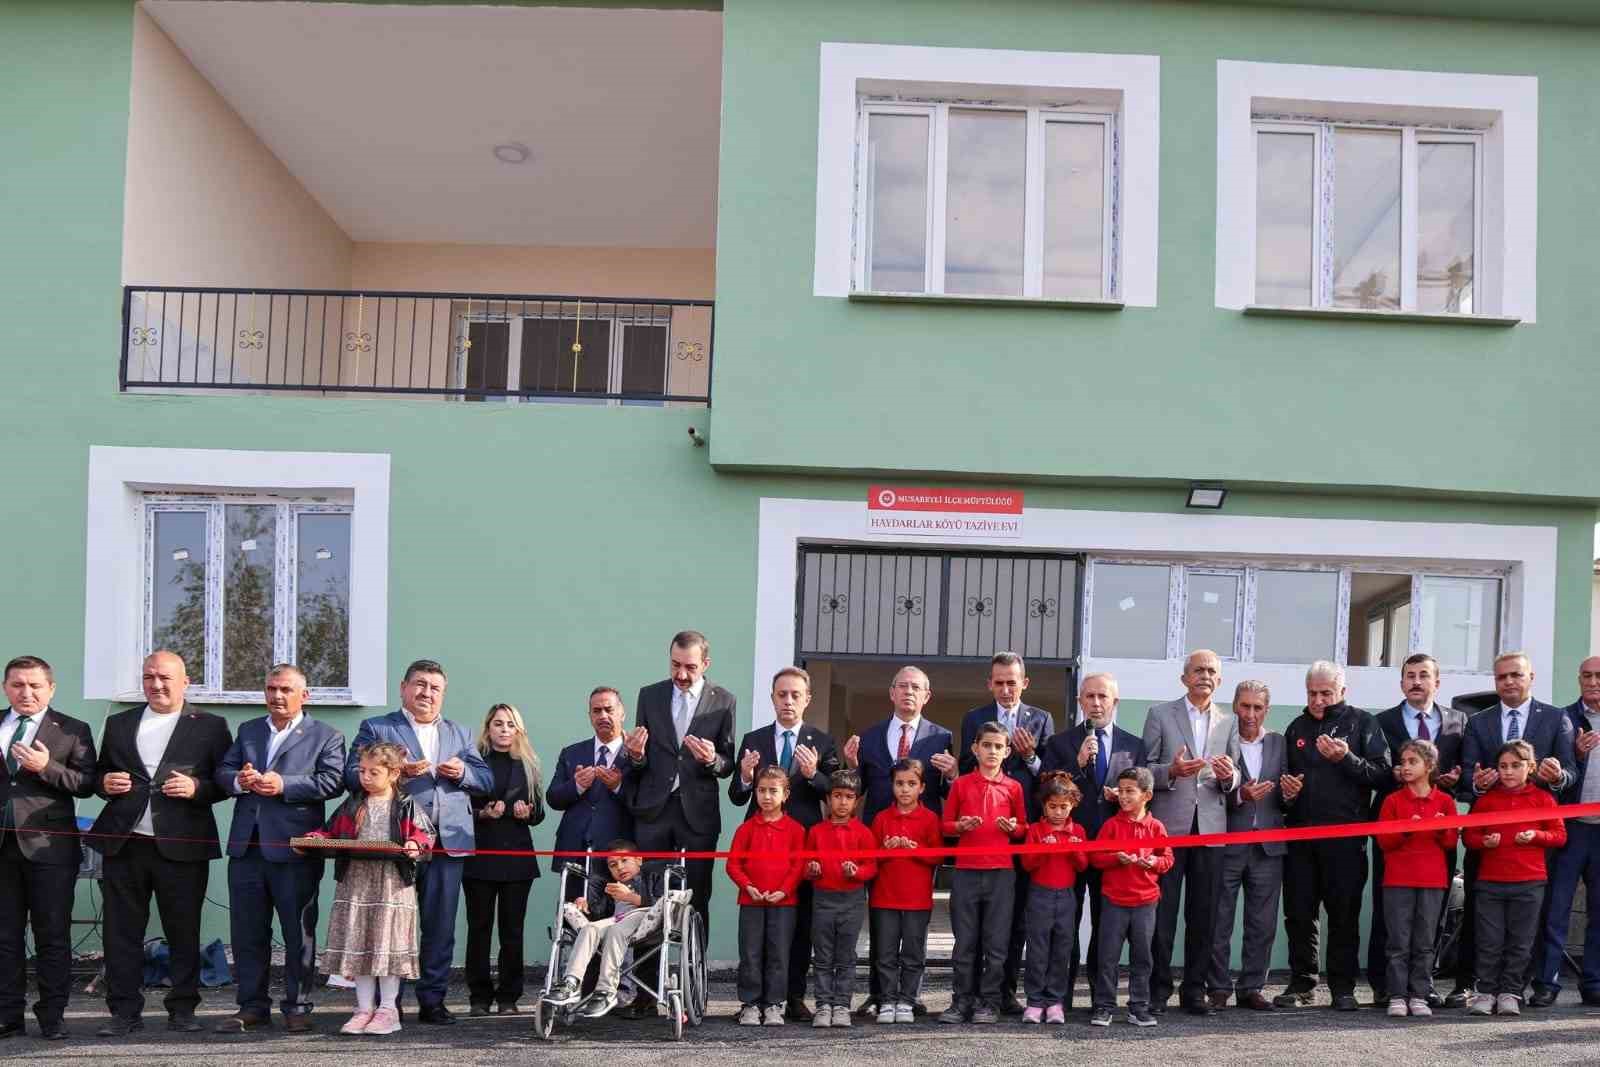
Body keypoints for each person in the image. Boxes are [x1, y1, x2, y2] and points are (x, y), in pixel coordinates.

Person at [92, 650, 232, 1038]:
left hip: (183, 844)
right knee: (120, 933)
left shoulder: (210, 725)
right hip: (126, 842)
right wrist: (105, 784)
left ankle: (183, 1009)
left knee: (183, 930)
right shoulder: (119, 723)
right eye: (149, 677)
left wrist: (196, 787)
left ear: (185, 682)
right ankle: (123, 1012)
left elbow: (225, 782)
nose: (157, 684)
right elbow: (101, 773)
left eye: (165, 677)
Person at [345, 659, 492, 1024]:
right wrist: (394, 776)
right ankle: (384, 1004)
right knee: (387, 921)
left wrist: (464, 773)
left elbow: (486, 780)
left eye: (435, 687)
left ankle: (432, 1001)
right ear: (403, 688)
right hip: (395, 842)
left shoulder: (460, 733)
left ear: (443, 693)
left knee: (439, 926)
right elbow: (351, 775)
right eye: (420, 685)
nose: (427, 693)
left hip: (447, 842)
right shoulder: (378, 727)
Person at [215, 663, 347, 1033]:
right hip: (247, 848)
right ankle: (252, 1006)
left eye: (285, 689)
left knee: (297, 933)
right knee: (247, 933)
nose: (277, 696)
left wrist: (284, 784)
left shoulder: (326, 734)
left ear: (304, 695)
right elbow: (222, 773)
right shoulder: (248, 730)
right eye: (271, 688)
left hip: (295, 849)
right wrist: (239, 781)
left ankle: (298, 1006)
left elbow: (333, 781)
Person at [1452, 651, 1574, 1007]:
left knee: (1530, 922)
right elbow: (1466, 777)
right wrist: (1478, 783)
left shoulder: (1556, 718)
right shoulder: (1479, 721)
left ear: (1531, 677)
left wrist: (1558, 777)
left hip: (1533, 852)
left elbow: (1569, 772)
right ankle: (1477, 986)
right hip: (1490, 845)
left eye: (1516, 675)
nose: (1509, 682)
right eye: (1502, 676)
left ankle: (1518, 988)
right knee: (1483, 922)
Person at [841, 665, 956, 1016]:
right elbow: (854, 789)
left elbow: (947, 791)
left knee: (915, 926)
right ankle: (880, 994)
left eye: (916, 687)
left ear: (927, 696)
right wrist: (849, 765)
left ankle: (910, 996)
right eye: (902, 686)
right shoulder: (870, 735)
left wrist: (952, 774)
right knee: (881, 923)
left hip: (921, 840)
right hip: (880, 839)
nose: (908, 692)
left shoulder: (941, 737)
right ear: (891, 693)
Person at [1275, 661, 1390, 1011]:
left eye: (1326, 692)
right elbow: (1282, 787)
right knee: (1299, 913)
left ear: (1342, 691)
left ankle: (1343, 987)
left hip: (1345, 839)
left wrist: (1347, 758)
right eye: (1313, 693)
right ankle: (1302, 983)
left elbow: (1383, 774)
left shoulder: (1363, 723)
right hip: (1300, 838)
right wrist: (1288, 794)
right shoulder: (1296, 727)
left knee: (1343, 914)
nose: (1319, 700)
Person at [728, 666, 840, 1020]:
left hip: (802, 843)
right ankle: (753, 999)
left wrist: (813, 775)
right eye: (782, 694)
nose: (788, 701)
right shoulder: (753, 740)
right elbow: (735, 795)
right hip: (760, 846)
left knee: (799, 924)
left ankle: (792, 995)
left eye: (795, 695)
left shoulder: (822, 741)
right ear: (772, 698)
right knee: (758, 932)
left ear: (807, 699)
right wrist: (745, 777)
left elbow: (836, 792)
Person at [306, 741, 435, 1036]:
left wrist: (415, 844)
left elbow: (424, 833)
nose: (365, 777)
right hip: (356, 881)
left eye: (373, 772)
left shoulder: (405, 804)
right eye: (362, 770)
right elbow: (330, 830)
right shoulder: (353, 802)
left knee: (386, 946)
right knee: (360, 944)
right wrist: (316, 837)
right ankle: (363, 1009)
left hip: (392, 882)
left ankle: (388, 1010)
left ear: (393, 773)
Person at [0, 655, 96, 1041]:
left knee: (52, 935)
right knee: (4, 937)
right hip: (3, 850)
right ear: (7, 687)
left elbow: (89, 783)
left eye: (35, 685)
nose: (27, 693)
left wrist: (47, 767)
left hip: (50, 850)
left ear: (51, 688)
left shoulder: (72, 729)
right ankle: (8, 1015)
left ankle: (52, 1015)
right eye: (18, 685)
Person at [1040, 672, 1146, 1010]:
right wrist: (1077, 763)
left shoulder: (1134, 745)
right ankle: (1061, 998)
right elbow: (1047, 789)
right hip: (1071, 846)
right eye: (1089, 697)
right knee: (1065, 926)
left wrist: (1124, 798)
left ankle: (1102, 1000)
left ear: (1115, 702)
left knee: (1107, 927)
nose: (1096, 703)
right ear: (1080, 702)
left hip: (1113, 848)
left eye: (1103, 697)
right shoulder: (1060, 742)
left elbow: (1143, 796)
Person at [1141, 649, 1239, 1015]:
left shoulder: (1227, 722)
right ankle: (1158, 989)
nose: (1205, 675)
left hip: (1211, 830)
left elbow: (1236, 774)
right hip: (1169, 829)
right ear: (1184, 677)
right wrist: (1172, 771)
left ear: (1219, 679)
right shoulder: (1159, 714)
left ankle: (1194, 990)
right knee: (1163, 914)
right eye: (1198, 670)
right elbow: (1143, 770)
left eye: (1212, 670)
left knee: (1205, 914)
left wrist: (1231, 777)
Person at [956, 652, 1055, 1014]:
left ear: (1024, 683)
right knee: (975, 928)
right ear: (989, 684)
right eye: (998, 682)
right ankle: (971, 995)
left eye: (1012, 682)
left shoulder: (1041, 719)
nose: (1005, 689)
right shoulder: (974, 719)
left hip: (1021, 831)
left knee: (1013, 921)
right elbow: (967, 768)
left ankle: (1004, 993)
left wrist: (1030, 758)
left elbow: (1050, 777)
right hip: (982, 835)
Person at [621, 630, 735, 935]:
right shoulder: (650, 695)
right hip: (653, 810)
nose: (681, 674)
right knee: (648, 896)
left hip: (698, 814)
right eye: (675, 665)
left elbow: (727, 764)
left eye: (690, 667)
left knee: (697, 896)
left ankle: (694, 979)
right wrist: (634, 755)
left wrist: (713, 759)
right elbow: (640, 758)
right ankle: (649, 979)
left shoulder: (724, 701)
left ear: (706, 664)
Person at [1367, 654, 1465, 1007]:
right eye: (1410, 675)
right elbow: (1376, 770)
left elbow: (1466, 770)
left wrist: (1457, 780)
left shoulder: (1458, 721)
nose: (1417, 681)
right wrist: (1390, 774)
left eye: (1424, 675)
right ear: (1401, 682)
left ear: (1437, 682)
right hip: (1395, 824)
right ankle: (1385, 985)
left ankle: (1424, 986)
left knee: (1432, 913)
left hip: (1438, 827)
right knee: (1389, 909)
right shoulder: (1382, 721)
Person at [1463, 740, 1566, 1016]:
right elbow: (1469, 836)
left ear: (1530, 767)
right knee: (1489, 940)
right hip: (1490, 883)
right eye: (1503, 766)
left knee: (1521, 941)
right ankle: (1485, 992)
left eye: (1516, 766)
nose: (1508, 772)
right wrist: (1485, 841)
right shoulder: (1486, 801)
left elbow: (1559, 835)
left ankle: (1511, 992)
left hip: (1530, 883)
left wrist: (1536, 836)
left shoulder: (1544, 799)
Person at [939, 722, 1027, 1025]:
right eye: (986, 745)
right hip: (966, 871)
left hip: (1001, 873)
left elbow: (1023, 828)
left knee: (997, 943)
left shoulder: (1013, 787)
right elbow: (945, 825)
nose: (992, 751)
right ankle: (961, 1000)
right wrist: (960, 827)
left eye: (998, 746)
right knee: (965, 941)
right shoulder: (961, 784)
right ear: (975, 748)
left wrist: (1013, 828)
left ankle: (990, 1002)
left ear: (1007, 751)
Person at [463, 704, 545, 1016]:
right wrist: (483, 813)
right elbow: (461, 807)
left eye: (510, 724)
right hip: (480, 857)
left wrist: (528, 814)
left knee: (512, 931)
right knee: (479, 928)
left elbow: (539, 812)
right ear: (488, 728)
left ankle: (509, 997)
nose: (504, 729)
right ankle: (479, 997)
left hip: (517, 859)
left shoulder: (529, 764)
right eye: (498, 724)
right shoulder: (475, 762)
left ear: (518, 730)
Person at [1209, 680, 1285, 1012]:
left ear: (1266, 710)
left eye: (1257, 707)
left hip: (1268, 846)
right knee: (1219, 918)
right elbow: (1208, 792)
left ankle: (1252, 987)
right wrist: (1240, 794)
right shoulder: (1220, 740)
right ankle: (1219, 987)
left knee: (1262, 922)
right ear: (1235, 706)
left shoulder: (1279, 743)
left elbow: (1284, 790)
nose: (1250, 714)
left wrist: (1291, 793)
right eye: (1244, 706)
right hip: (1228, 842)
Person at [1375, 739, 1458, 1018]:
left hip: (1433, 881)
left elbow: (1450, 842)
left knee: (1425, 941)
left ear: (1430, 766)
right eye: (1403, 761)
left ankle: (1419, 994)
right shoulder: (1392, 801)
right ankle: (1397, 994)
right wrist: (1407, 829)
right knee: (1398, 941)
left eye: (1413, 761)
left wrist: (1438, 827)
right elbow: (1384, 841)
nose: (1405, 767)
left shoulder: (1445, 801)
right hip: (1398, 880)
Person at [1536, 655, 1600, 1006]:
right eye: (1586, 676)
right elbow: (1556, 776)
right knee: (1555, 908)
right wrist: (1575, 754)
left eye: (1598, 676)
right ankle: (1547, 982)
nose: (1592, 682)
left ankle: (1594, 983)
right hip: (1571, 829)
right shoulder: (1563, 718)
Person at [1089, 766, 1173, 1028]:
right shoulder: (1111, 826)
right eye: (1121, 790)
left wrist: (1151, 862)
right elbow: (1096, 858)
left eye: (1130, 791)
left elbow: (1168, 858)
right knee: (1108, 957)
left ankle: (1139, 1006)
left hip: (1146, 902)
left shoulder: (1157, 826)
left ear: (1146, 796)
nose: (1123, 796)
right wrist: (1115, 858)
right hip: (1114, 901)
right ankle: (1104, 1006)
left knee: (1143, 958)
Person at [544, 842, 668, 1019]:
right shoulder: (610, 887)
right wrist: (585, 905)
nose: (620, 867)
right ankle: (570, 983)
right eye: (613, 865)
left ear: (639, 860)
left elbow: (662, 903)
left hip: (646, 917)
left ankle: (606, 991)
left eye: (625, 861)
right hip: (616, 921)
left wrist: (630, 897)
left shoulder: (652, 876)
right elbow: (600, 912)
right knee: (590, 928)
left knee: (617, 929)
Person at [726, 765, 806, 1026]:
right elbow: (733, 864)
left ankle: (774, 1004)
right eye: (761, 790)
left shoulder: (796, 830)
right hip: (751, 901)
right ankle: (750, 1003)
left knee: (778, 954)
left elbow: (798, 866)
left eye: (773, 791)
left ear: (786, 794)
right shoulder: (746, 829)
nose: (767, 796)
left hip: (785, 904)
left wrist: (783, 890)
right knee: (750, 953)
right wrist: (748, 886)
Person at [867, 758, 943, 1025]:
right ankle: (887, 1000)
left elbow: (937, 858)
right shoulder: (881, 818)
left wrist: (915, 850)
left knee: (913, 954)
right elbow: (871, 859)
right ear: (892, 786)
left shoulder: (931, 818)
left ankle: (907, 1001)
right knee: (885, 954)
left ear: (922, 788)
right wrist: (886, 851)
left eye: (911, 784)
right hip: (884, 898)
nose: (905, 789)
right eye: (899, 784)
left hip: (917, 900)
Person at [803, 769, 877, 1028]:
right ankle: (823, 1005)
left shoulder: (864, 833)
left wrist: (857, 872)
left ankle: (842, 1005)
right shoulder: (816, 832)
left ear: (856, 801)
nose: (842, 802)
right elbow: (806, 865)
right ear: (828, 799)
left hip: (852, 901)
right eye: (837, 796)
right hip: (823, 899)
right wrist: (812, 869)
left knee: (845, 957)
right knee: (822, 956)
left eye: (848, 797)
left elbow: (872, 867)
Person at [547, 687, 634, 898]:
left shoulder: (636, 753)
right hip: (574, 850)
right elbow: (553, 798)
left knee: (615, 924)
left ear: (622, 713)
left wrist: (618, 787)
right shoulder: (572, 752)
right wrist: (576, 786)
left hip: (617, 856)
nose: (603, 715)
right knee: (571, 921)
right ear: (590, 716)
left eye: (609, 709)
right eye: (596, 711)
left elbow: (646, 801)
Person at [1019, 771, 1087, 1024]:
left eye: (1064, 807)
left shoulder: (1077, 830)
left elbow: (1082, 866)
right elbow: (1027, 864)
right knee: (1037, 949)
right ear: (1044, 805)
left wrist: (1072, 848)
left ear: (1073, 806)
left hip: (1066, 896)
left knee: (1062, 949)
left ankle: (1055, 1001)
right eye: (1052, 806)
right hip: (1039, 894)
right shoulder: (1035, 830)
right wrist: (1042, 849)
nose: (1058, 812)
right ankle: (1035, 1002)